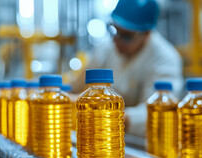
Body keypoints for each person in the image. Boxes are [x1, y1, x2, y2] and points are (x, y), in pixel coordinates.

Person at [70, 0, 183, 137]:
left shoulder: (165, 59)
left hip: (140, 142)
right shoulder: (107, 49)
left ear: (146, 34)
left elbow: (159, 111)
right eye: (114, 31)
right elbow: (75, 85)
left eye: (126, 36)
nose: (117, 40)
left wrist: (109, 116)